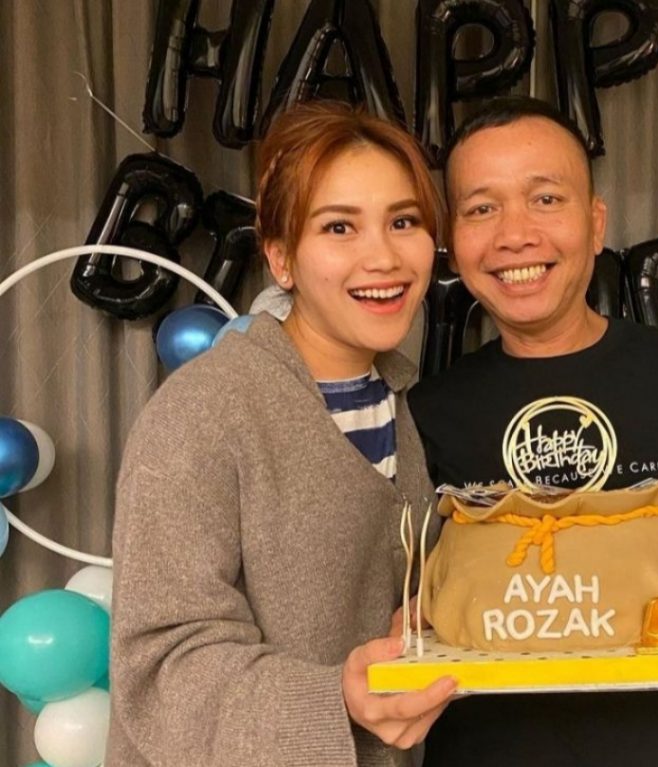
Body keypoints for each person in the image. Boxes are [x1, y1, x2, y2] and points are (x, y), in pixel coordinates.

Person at [407, 96, 658, 767]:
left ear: (595, 224)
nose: (514, 235)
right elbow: (410, 591)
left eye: (545, 199)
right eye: (481, 208)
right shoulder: (426, 407)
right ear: (452, 239)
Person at [107, 102, 457, 767]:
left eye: (404, 221)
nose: (383, 256)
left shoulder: (403, 404)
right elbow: (160, 665)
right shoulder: (203, 411)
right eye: (339, 226)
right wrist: (336, 699)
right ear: (281, 258)